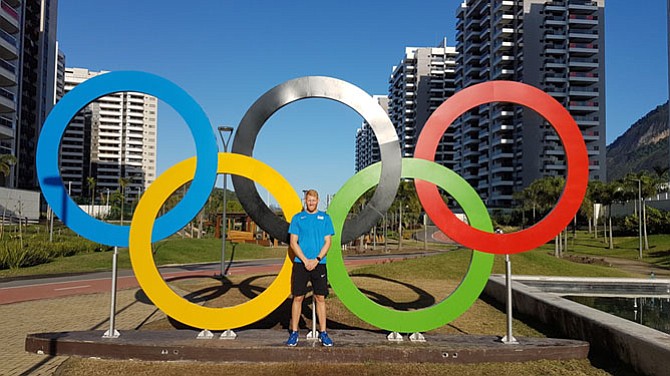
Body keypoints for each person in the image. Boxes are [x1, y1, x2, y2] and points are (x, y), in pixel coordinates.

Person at [286, 189, 335, 347]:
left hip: (319, 264)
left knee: (320, 298)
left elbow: (328, 242)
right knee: (298, 297)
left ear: (318, 200)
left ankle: (324, 333)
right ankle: (294, 333)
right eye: (309, 200)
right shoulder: (297, 218)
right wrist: (305, 260)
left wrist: (317, 259)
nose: (311, 203)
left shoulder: (325, 218)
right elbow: (293, 242)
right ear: (305, 201)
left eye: (314, 200)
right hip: (301, 264)